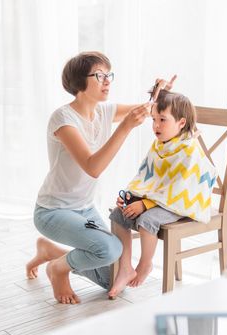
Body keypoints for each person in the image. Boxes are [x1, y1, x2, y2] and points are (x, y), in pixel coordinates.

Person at [26, 51, 176, 304]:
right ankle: (58, 269)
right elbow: (92, 167)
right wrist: (125, 127)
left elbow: (147, 110)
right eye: (100, 75)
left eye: (109, 75)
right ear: (79, 82)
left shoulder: (104, 112)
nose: (107, 81)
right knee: (109, 249)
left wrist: (160, 92)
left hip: (84, 209)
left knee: (113, 279)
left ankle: (51, 252)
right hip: (52, 211)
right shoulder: (63, 119)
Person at [108, 90, 217, 299]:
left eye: (162, 120)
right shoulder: (160, 145)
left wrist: (146, 205)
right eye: (154, 119)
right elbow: (148, 177)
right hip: (162, 199)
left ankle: (145, 264)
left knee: (148, 219)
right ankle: (124, 266)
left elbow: (180, 187)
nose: (156, 125)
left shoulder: (188, 149)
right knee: (119, 213)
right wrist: (131, 196)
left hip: (183, 202)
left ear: (181, 122)